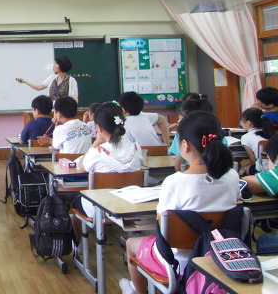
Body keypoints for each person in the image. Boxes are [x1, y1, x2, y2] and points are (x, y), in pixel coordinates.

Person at [121, 111, 239, 294]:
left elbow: (162, 224)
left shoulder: (174, 182)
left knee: (131, 244)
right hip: (220, 255)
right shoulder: (232, 176)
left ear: (185, 145)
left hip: (178, 261)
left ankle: (137, 290)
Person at [72, 102, 143, 233]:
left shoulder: (97, 152)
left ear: (98, 128)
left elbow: (81, 167)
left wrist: (96, 142)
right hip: (130, 204)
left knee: (76, 201)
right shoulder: (136, 148)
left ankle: (81, 244)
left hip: (101, 207)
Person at [168, 97, 214, 171]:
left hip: (189, 173)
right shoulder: (216, 135)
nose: (178, 122)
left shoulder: (181, 135)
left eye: (180, 120)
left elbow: (178, 166)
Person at [239, 107, 276, 175]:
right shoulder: (271, 132)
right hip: (275, 168)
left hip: (261, 170)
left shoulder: (245, 137)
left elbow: (253, 160)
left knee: (243, 168)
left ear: (248, 123)